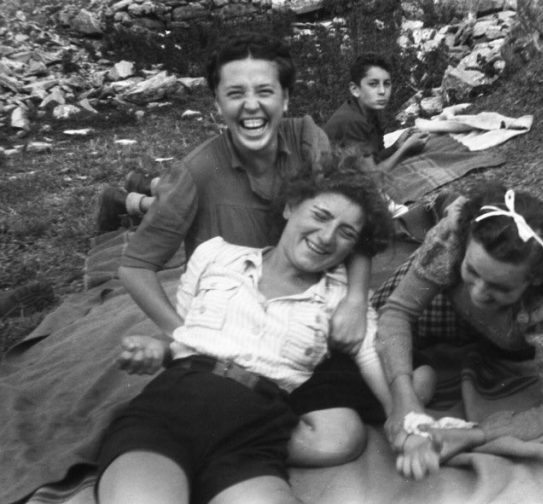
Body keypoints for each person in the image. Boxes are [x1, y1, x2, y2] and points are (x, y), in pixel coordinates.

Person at [115, 33, 380, 465]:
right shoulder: (196, 172)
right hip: (233, 322)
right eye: (236, 93)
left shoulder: (308, 140)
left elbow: (359, 217)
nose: (251, 106)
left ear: (286, 98)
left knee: (376, 391)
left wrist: (354, 300)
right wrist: (184, 337)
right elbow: (135, 265)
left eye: (265, 92)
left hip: (305, 311)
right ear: (217, 104)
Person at [96, 165, 434, 504]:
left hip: (255, 434)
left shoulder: (344, 303)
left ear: (354, 247)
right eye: (320, 216)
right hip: (174, 407)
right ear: (290, 207)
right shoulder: (215, 255)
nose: (326, 237)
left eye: (346, 233)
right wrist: (160, 349)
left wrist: (409, 426)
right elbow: (185, 335)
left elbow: (384, 375)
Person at [374, 180, 543, 480]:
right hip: (444, 298)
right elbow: (397, 312)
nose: (478, 292)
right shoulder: (450, 241)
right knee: (373, 322)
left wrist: (471, 435)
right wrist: (405, 400)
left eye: (500, 287)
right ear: (465, 244)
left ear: (536, 279)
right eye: (472, 271)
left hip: (503, 337)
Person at [323, 52, 430, 176]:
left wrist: (396, 147)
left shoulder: (371, 112)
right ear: (355, 89)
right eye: (373, 84)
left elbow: (374, 157)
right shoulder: (352, 121)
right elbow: (372, 175)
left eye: (387, 83)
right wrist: (405, 149)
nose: (382, 91)